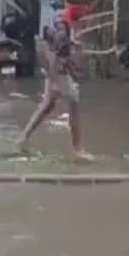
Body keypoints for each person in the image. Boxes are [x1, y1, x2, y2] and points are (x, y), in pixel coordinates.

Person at [18, 20, 89, 158]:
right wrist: (56, 83)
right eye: (59, 29)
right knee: (74, 104)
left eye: (63, 29)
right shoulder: (54, 46)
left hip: (58, 77)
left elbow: (69, 59)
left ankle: (23, 137)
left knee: (47, 106)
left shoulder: (64, 41)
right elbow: (53, 65)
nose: (61, 32)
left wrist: (75, 48)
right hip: (57, 77)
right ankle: (77, 149)